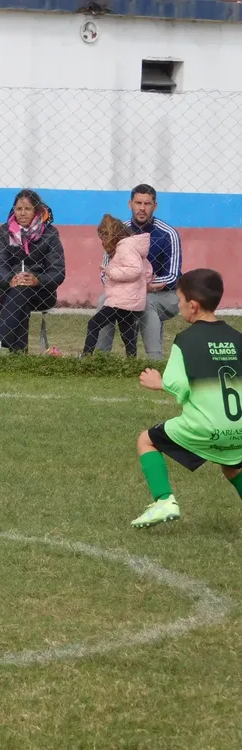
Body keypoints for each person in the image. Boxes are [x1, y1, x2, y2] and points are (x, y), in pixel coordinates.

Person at [130, 269, 242, 528]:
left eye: (180, 302)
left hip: (205, 428)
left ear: (192, 306)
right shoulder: (238, 339)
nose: (179, 307)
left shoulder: (186, 341)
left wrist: (158, 384)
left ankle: (164, 500)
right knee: (232, 466)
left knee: (146, 440)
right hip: (238, 430)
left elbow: (178, 385)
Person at [97, 184, 183, 360]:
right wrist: (134, 285)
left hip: (165, 295)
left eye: (147, 203)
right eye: (138, 203)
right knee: (103, 300)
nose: (142, 208)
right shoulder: (117, 230)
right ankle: (100, 358)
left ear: (155, 206)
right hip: (127, 290)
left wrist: (140, 286)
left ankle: (154, 361)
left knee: (146, 301)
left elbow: (173, 276)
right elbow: (106, 272)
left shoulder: (168, 234)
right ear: (130, 204)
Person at [0, 189, 66, 355]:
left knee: (23, 288)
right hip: (11, 289)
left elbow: (58, 271)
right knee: (20, 292)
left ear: (36, 211)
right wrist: (10, 279)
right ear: (14, 210)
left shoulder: (50, 233)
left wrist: (37, 279)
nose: (22, 213)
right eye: (19, 209)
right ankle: (18, 356)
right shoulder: (6, 231)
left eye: (27, 209)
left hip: (43, 292)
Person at [82, 215, 151, 358]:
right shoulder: (131, 246)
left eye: (103, 237)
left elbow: (136, 269)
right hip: (128, 297)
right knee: (127, 333)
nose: (103, 242)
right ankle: (132, 362)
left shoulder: (124, 247)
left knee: (93, 324)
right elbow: (146, 269)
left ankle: (86, 357)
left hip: (120, 299)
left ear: (110, 235)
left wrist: (111, 271)